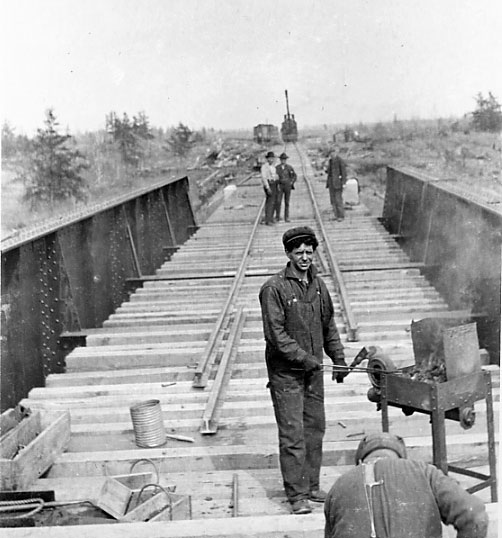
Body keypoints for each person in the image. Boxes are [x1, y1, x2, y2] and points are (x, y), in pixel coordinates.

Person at [259, 227, 347, 515]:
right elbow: (276, 335)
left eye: (310, 252)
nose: (306, 257)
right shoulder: (274, 289)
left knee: (315, 430)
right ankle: (297, 496)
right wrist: (306, 358)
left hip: (313, 373)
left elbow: (328, 325)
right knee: (293, 435)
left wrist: (338, 357)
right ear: (288, 254)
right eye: (299, 253)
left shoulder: (319, 286)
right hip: (287, 375)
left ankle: (311, 486)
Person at [324, 432, 488, 538]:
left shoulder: (339, 486)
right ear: (401, 457)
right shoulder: (424, 472)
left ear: (360, 461)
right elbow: (475, 516)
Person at [326, 147, 347, 221]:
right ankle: (336, 215)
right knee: (333, 200)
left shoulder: (340, 161)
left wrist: (344, 183)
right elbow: (329, 172)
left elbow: (344, 172)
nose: (332, 154)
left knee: (338, 199)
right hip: (331, 182)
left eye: (333, 153)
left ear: (335, 153)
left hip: (338, 183)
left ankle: (341, 216)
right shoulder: (330, 161)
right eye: (330, 153)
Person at [274, 152, 297, 222]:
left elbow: (294, 176)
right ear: (280, 160)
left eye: (284, 159)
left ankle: (286, 217)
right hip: (280, 185)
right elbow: (275, 177)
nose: (283, 161)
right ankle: (277, 216)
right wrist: (277, 184)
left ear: (286, 160)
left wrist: (291, 182)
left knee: (287, 202)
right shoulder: (277, 168)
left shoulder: (289, 167)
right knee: (278, 201)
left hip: (287, 186)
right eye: (282, 159)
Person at [260, 151, 278, 225]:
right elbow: (264, 178)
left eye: (272, 158)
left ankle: (271, 217)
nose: (271, 160)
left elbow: (274, 176)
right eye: (270, 158)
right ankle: (268, 220)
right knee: (270, 202)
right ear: (267, 159)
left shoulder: (273, 166)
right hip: (269, 184)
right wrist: (267, 187)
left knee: (273, 202)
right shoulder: (264, 167)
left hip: (274, 184)